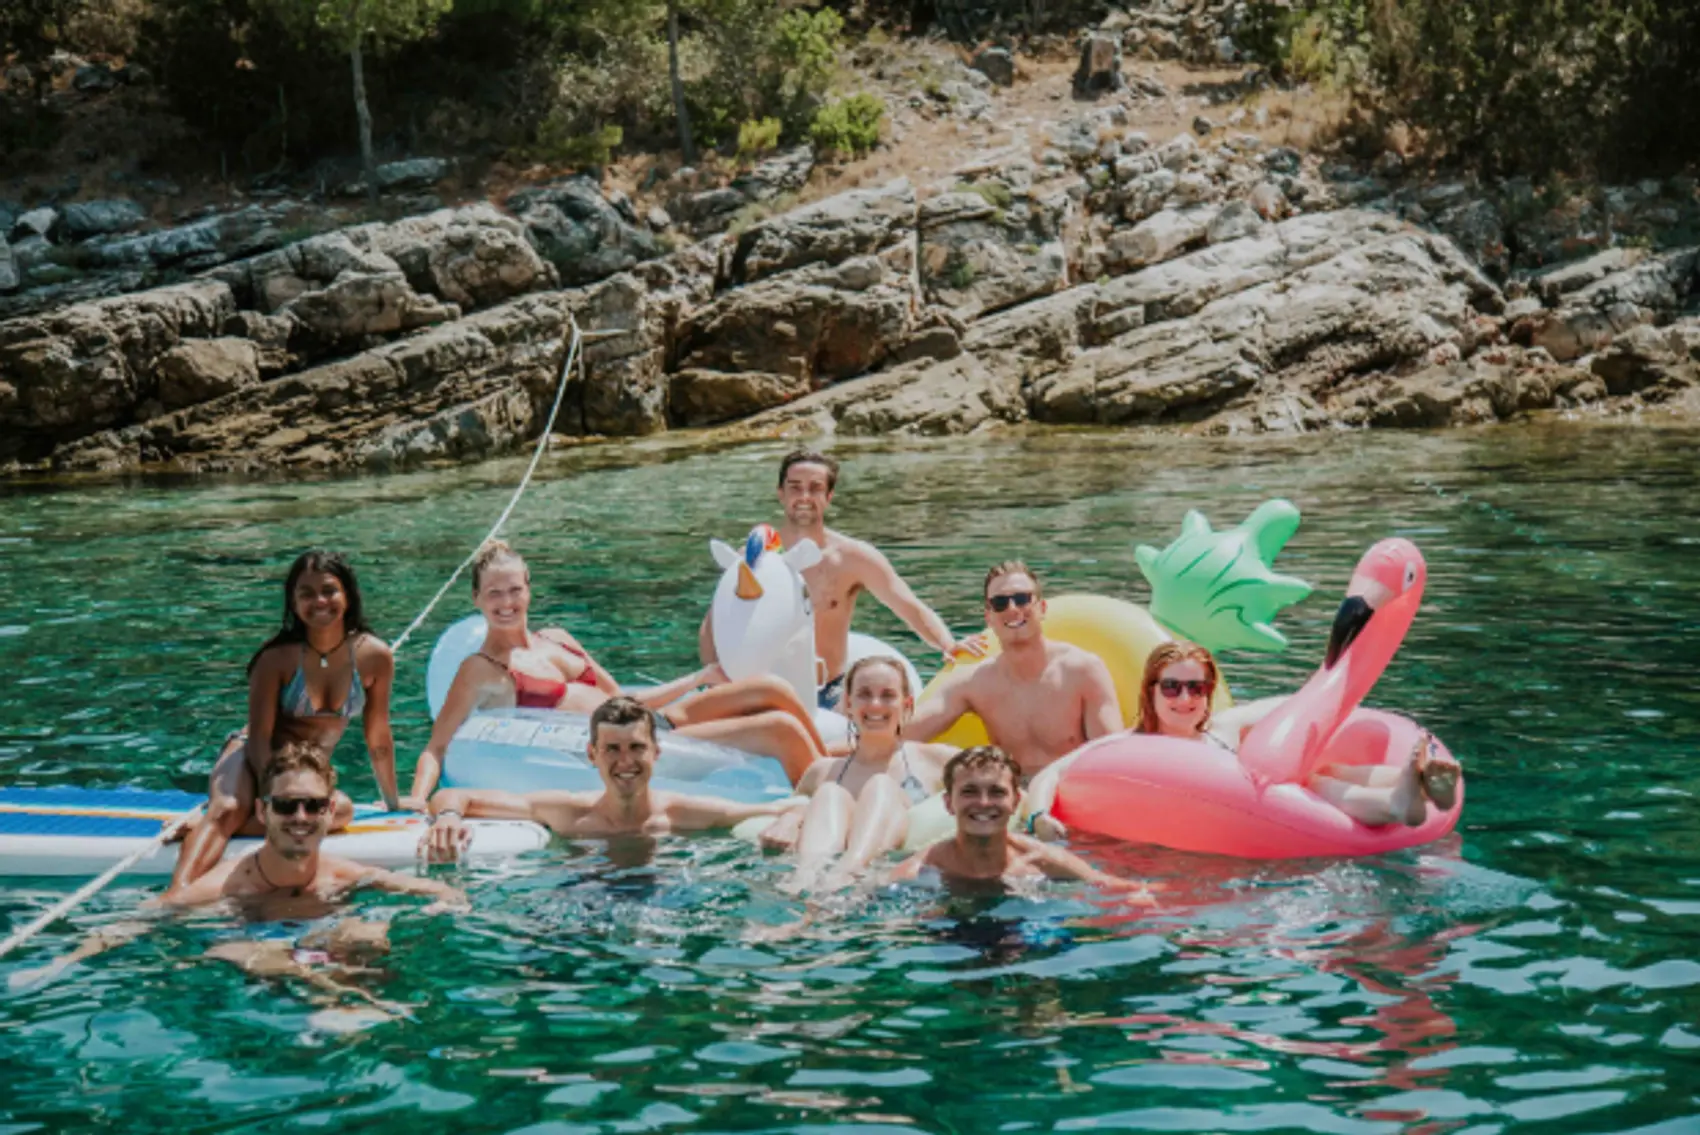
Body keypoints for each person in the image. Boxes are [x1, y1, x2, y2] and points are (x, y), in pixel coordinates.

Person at [13, 742, 463, 994]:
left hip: (316, 942)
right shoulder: (225, 885)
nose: (301, 818)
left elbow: (444, 893)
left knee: (368, 935)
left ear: (330, 813)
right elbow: (139, 919)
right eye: (287, 806)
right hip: (252, 949)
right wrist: (55, 964)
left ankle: (345, 1007)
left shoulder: (342, 873)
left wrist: (442, 906)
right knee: (256, 957)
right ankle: (334, 1003)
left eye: (313, 806)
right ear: (264, 812)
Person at [407, 541, 827, 802]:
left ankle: (832, 764)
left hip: (655, 719)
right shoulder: (480, 670)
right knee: (778, 729)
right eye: (494, 593)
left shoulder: (558, 638)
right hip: (639, 741)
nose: (506, 602)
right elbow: (436, 746)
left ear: (529, 589)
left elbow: (621, 698)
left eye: (515, 589)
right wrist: (417, 801)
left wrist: (698, 679)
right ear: (477, 599)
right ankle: (835, 795)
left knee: (772, 688)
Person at [1023, 641, 1464, 837]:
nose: (1184, 698)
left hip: (1283, 817)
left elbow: (1303, 707)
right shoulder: (1123, 749)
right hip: (1255, 827)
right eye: (1172, 687)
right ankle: (1397, 798)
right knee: (1311, 783)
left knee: (1320, 771)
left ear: (1208, 694)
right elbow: (1050, 774)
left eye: (1195, 688)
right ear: (1151, 692)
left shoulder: (1226, 729)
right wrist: (1039, 817)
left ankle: (1412, 782)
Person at [170, 550, 400, 894]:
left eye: (329, 590)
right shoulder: (275, 659)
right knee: (229, 808)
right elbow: (260, 737)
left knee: (341, 811)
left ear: (348, 595)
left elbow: (378, 737)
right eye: (306, 594)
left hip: (306, 770)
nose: (319, 601)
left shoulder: (374, 656)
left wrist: (394, 804)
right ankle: (177, 895)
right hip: (253, 757)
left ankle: (211, 826)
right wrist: (271, 793)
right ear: (293, 603)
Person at [698, 449, 979, 711]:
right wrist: (715, 678)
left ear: (829, 496)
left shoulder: (852, 559)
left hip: (827, 693)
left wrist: (947, 644)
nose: (804, 496)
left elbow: (907, 605)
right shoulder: (754, 560)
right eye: (795, 487)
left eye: (816, 488)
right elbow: (715, 623)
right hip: (764, 690)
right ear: (780, 493)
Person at [419, 696, 800, 858]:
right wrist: (449, 817)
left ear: (656, 753)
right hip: (582, 898)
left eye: (636, 748)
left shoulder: (681, 814)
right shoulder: (569, 812)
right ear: (592, 755)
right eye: (612, 750)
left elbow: (786, 805)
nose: (625, 762)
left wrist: (794, 817)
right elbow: (455, 797)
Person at [906, 562, 1122, 780]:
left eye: (1022, 599)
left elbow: (1111, 759)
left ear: (1042, 608)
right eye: (999, 603)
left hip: (1071, 790)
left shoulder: (1082, 671)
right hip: (1009, 800)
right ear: (988, 617)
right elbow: (901, 735)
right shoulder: (974, 683)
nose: (1012, 608)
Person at [758, 655, 957, 886]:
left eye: (888, 695)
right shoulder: (823, 773)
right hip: (824, 876)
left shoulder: (937, 760)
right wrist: (791, 817)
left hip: (890, 881)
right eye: (864, 694)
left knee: (881, 786)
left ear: (907, 705)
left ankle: (841, 881)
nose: (874, 704)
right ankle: (802, 886)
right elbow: (794, 806)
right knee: (829, 792)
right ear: (848, 704)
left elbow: (996, 790)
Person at [890, 746, 1154, 897]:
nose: (984, 803)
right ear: (948, 803)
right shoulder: (920, 869)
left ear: (1016, 802)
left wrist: (1141, 895)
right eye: (970, 792)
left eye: (997, 792)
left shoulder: (1042, 859)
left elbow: (1112, 884)